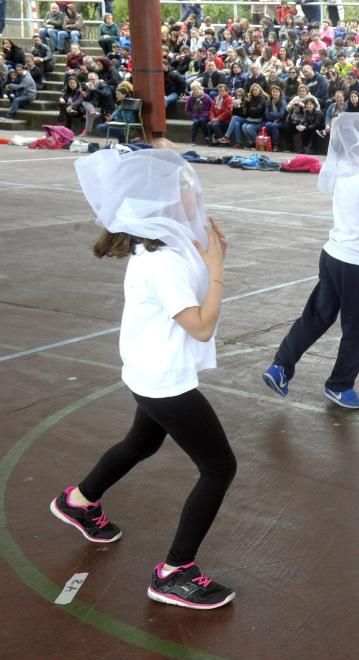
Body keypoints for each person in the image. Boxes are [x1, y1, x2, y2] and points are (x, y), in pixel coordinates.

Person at [52, 150, 237, 609]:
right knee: (219, 467)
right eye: (186, 189)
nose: (195, 193)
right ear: (165, 205)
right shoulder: (162, 261)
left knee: (142, 443)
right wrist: (217, 271)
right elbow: (200, 325)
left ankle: (80, 500)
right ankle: (175, 572)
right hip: (163, 379)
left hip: (146, 368)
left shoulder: (161, 243)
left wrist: (206, 253)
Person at [262, 114, 359, 409]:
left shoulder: (344, 172)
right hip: (352, 264)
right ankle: (340, 385)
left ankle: (280, 366)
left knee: (317, 316)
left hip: (331, 255)